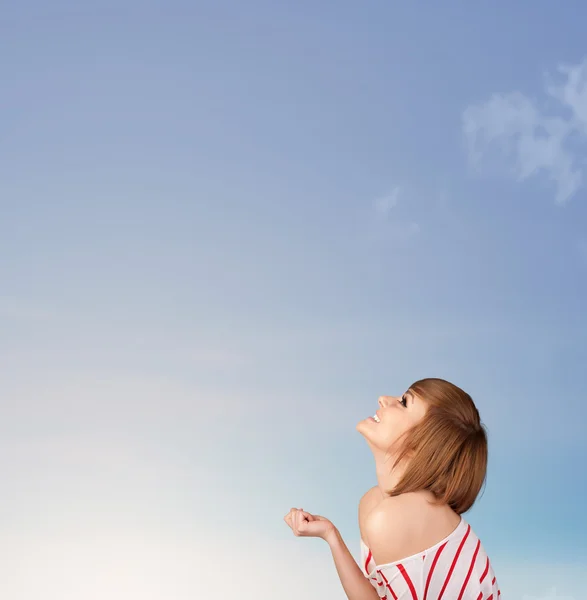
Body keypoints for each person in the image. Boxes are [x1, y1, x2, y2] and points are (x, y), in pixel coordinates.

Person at [284, 377, 501, 599]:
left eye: (404, 402)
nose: (383, 400)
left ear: (422, 445)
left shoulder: (393, 518)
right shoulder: (375, 504)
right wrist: (331, 536)